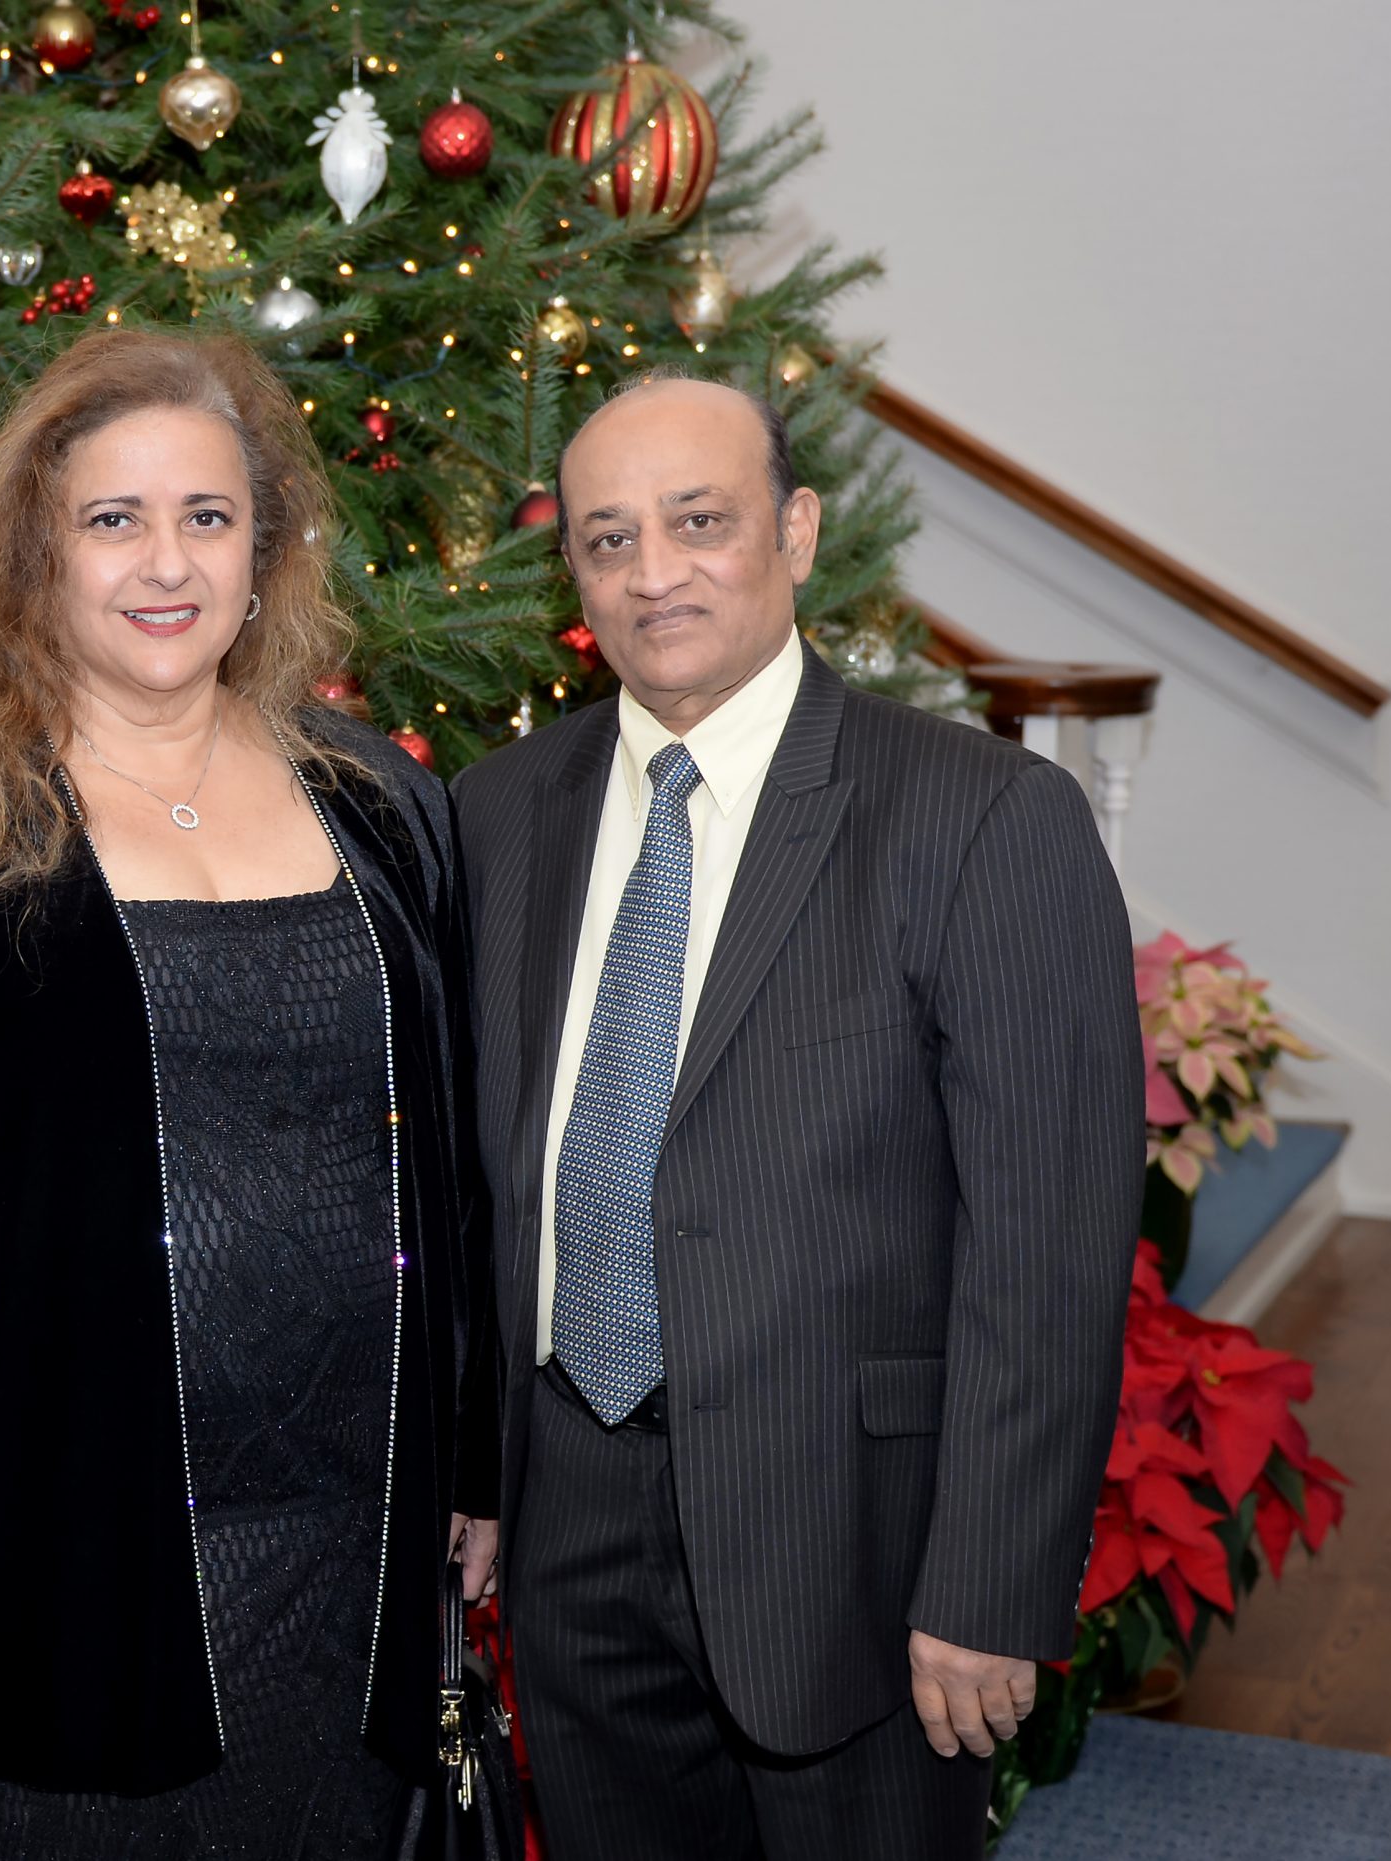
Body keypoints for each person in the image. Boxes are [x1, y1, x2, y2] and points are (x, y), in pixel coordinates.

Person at [0, 325, 500, 1858]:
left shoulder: (384, 803)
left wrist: (472, 1452)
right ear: (36, 551)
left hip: (347, 1552)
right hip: (39, 1559)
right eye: (113, 519)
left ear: (265, 549)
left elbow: (453, 1167)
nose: (165, 562)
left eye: (208, 516)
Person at [451, 374, 1140, 1860]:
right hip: (572, 1510)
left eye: (699, 522)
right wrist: (477, 1467)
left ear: (798, 530)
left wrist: (989, 1583)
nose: (654, 573)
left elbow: (1051, 1245)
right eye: (608, 539)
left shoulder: (978, 817)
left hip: (854, 1537)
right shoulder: (498, 811)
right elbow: (482, 1178)